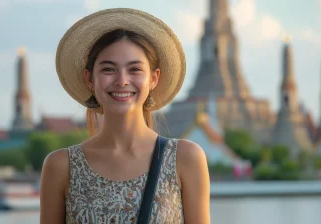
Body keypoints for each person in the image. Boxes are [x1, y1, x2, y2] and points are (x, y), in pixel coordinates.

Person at [40, 8, 210, 224]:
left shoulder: (185, 158)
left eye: (135, 69)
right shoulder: (61, 165)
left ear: (154, 78)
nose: (122, 81)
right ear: (89, 79)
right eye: (108, 69)